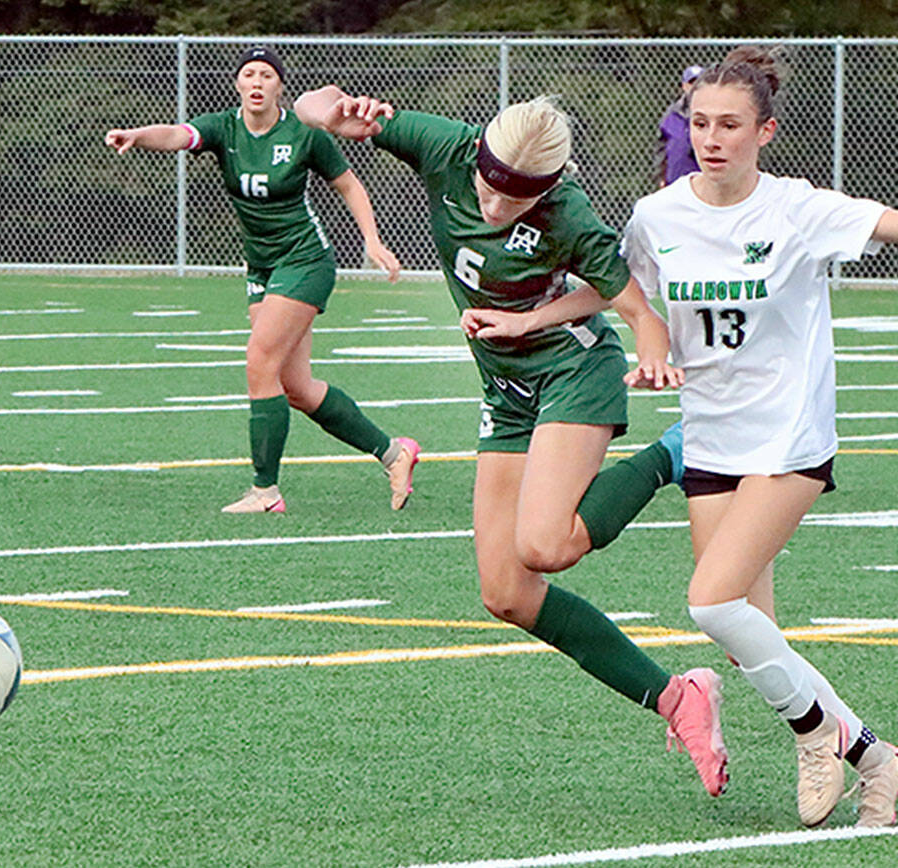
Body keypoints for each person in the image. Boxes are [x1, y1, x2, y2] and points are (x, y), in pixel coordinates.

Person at [620, 45, 898, 826]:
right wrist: (604, 337)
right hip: (710, 441)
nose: (713, 137)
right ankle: (873, 757)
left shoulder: (795, 208)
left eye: (731, 124)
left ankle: (814, 734)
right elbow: (627, 295)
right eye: (701, 122)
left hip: (789, 441)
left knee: (710, 600)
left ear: (764, 132)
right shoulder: (656, 215)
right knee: (747, 635)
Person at [294, 85, 728, 796]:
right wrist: (334, 110)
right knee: (506, 592)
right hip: (506, 387)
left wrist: (653, 350)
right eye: (487, 189)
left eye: (514, 201)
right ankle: (678, 698)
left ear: (549, 187)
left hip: (573, 369)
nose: (494, 208)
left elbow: (633, 305)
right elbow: (311, 108)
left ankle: (675, 451)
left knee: (548, 545)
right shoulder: (447, 144)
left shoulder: (569, 211)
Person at [104, 47, 419, 514]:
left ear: (279, 86)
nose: (257, 81)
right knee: (296, 387)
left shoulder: (303, 133)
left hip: (306, 260)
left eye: (266, 74)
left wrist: (372, 241)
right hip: (261, 265)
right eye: (248, 74)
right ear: (238, 84)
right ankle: (394, 453)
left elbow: (350, 185)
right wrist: (137, 135)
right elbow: (175, 134)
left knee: (259, 360)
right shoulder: (223, 128)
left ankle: (265, 492)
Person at [652, 64, 704, 188]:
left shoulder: (714, 113)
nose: (695, 87)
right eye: (691, 83)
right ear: (684, 86)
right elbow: (661, 146)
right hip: (675, 180)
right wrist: (660, 176)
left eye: (699, 83)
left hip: (703, 183)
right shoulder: (673, 114)